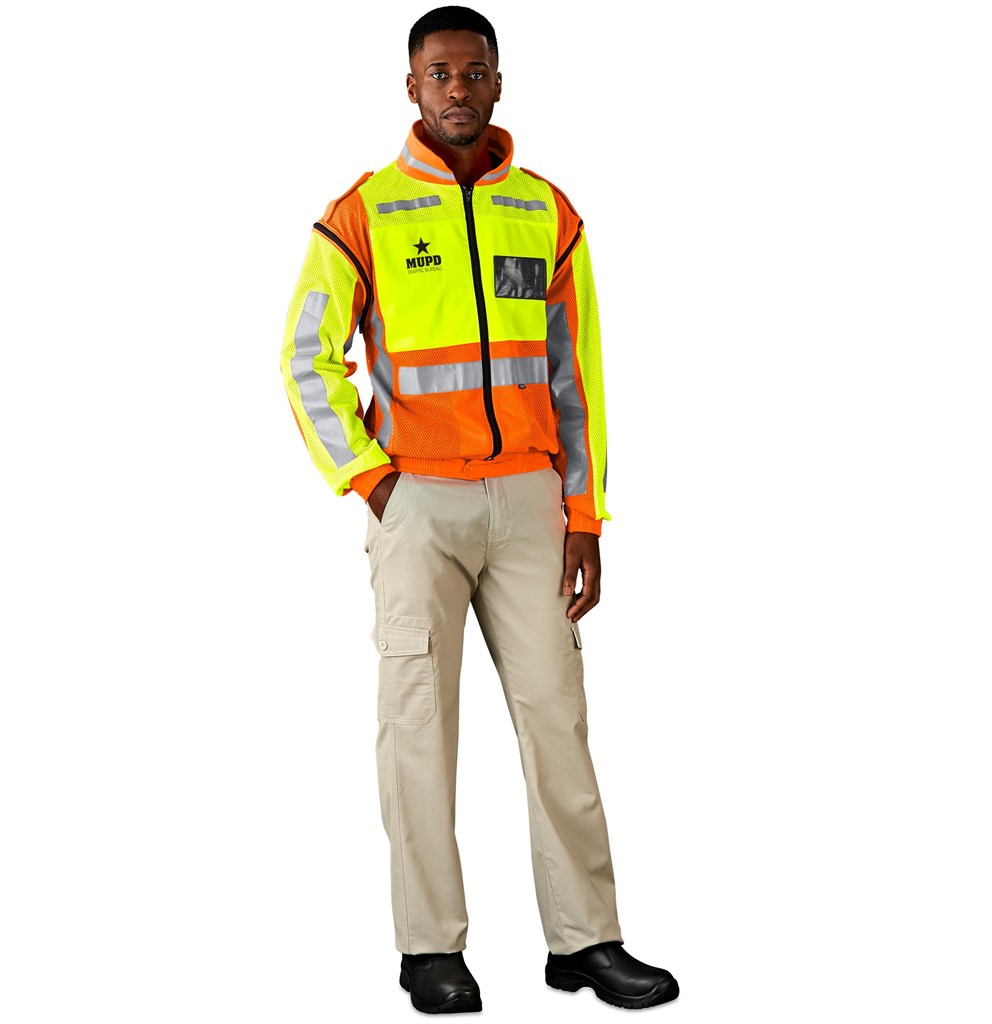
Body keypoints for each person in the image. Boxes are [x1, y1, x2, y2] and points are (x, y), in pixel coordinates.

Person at [279, 6, 679, 1013]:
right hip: (416, 504)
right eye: (439, 74)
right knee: (417, 725)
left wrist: (584, 514)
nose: (457, 89)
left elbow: (575, 379)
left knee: (558, 721)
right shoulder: (362, 214)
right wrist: (371, 479)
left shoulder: (546, 212)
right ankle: (430, 949)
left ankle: (585, 941)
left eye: (473, 72)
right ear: (411, 87)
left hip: (530, 505)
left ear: (498, 83)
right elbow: (305, 358)